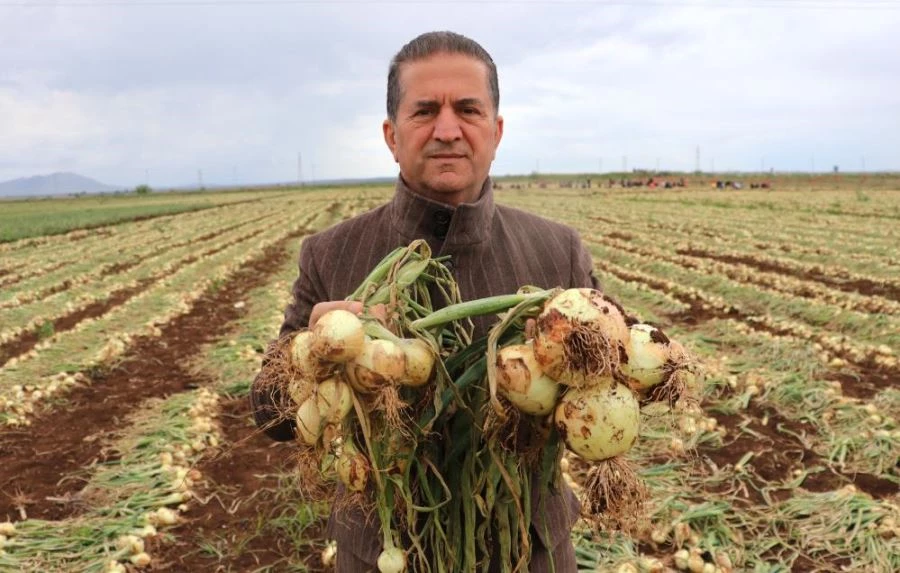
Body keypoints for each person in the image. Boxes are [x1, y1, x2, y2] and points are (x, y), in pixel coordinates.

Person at [251, 30, 600, 572]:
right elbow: (269, 414)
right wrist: (314, 353)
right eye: (424, 112)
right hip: (384, 553)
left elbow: (610, 387)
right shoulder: (331, 253)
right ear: (392, 135)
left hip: (530, 554)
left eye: (467, 109)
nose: (446, 130)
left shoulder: (559, 252)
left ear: (496, 130)